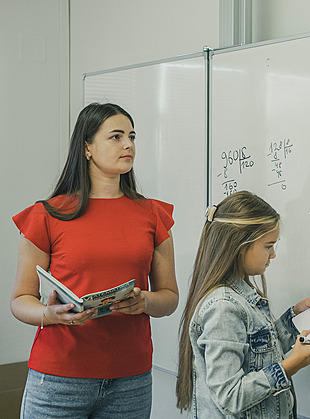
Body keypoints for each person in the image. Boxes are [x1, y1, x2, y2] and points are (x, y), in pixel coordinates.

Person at [10, 103, 179, 418]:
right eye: (115, 137)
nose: (128, 145)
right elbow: (20, 300)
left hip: (131, 380)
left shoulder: (153, 214)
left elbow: (169, 298)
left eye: (131, 136)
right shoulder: (47, 215)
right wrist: (49, 314)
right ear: (86, 147)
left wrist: (143, 302)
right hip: (59, 377)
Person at [176, 190, 310, 418]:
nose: (272, 254)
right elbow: (231, 396)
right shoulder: (223, 306)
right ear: (240, 245)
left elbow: (258, 353)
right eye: (268, 245)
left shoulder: (240, 296)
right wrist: (291, 364)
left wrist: (293, 319)